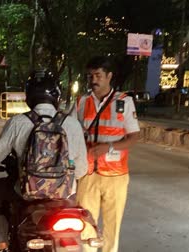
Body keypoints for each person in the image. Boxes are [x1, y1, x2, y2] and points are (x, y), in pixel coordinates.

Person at [0, 70, 88, 252]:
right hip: (64, 195)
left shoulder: (18, 122)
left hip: (27, 193)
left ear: (29, 96)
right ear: (56, 95)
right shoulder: (72, 124)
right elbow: (81, 170)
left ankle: (1, 243)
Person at [75, 56, 140, 252]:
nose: (93, 80)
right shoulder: (81, 102)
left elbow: (134, 137)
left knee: (112, 226)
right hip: (88, 174)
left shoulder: (124, 102)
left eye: (98, 75)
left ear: (109, 76)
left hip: (116, 176)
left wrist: (108, 147)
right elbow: (73, 134)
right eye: (90, 76)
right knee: (85, 225)